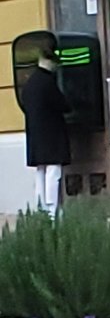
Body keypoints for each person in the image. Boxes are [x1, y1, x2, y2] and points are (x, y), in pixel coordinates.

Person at [21, 37, 70, 217]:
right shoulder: (47, 82)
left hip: (35, 135)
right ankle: (51, 211)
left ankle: (40, 209)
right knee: (53, 173)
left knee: (40, 172)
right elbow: (64, 105)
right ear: (50, 62)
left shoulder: (29, 83)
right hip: (52, 136)